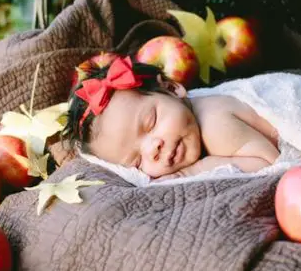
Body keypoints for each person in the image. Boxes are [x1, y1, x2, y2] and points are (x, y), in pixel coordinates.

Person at [63, 55, 280, 180]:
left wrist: (191, 172)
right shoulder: (187, 122)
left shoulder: (215, 125)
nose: (153, 149)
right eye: (137, 162)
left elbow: (273, 165)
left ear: (172, 89)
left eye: (151, 123)